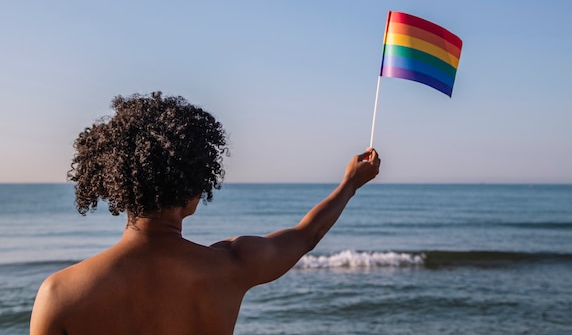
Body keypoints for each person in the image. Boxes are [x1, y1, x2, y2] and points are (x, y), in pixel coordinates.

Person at [30, 92, 381, 335]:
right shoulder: (231, 265)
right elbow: (306, 236)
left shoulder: (59, 294)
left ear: (117, 186)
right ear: (196, 190)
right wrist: (350, 183)